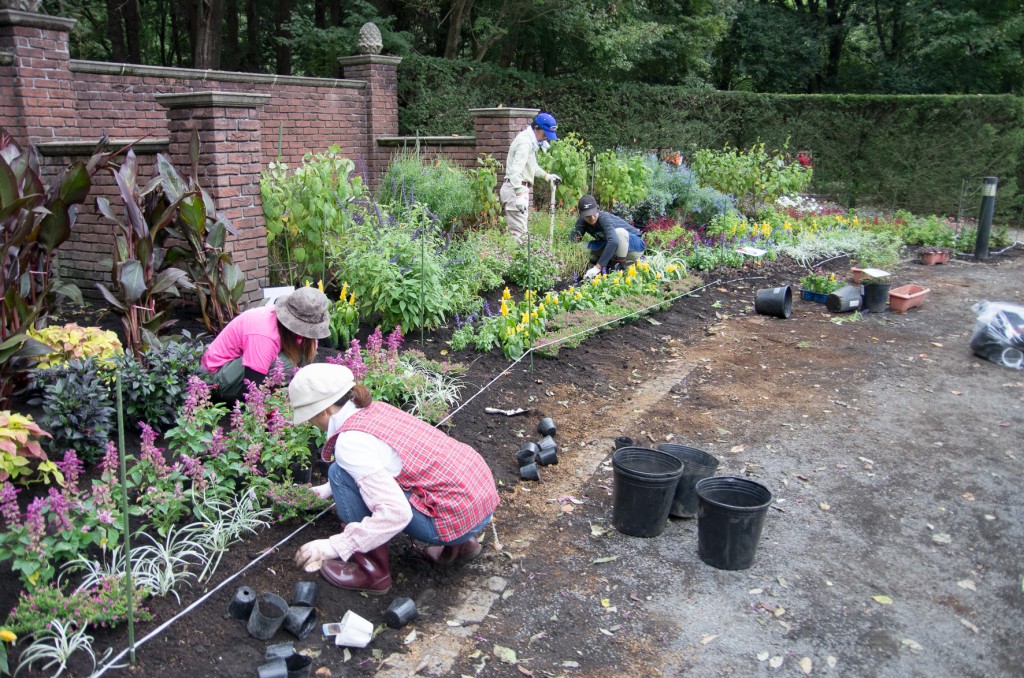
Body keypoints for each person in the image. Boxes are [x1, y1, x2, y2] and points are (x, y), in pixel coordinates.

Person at [289, 363, 500, 594]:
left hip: (451, 521)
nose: (309, 423)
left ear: (324, 411)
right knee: (352, 474)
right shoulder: (375, 410)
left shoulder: (350, 442)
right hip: (479, 502)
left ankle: (371, 571)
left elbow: (397, 513)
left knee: (338, 473)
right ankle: (462, 547)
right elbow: (386, 462)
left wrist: (335, 545)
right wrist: (327, 490)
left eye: (307, 417)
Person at [200, 287, 330, 402]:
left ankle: (277, 390)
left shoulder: (295, 329)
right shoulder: (264, 334)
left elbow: (308, 361)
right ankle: (271, 393)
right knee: (286, 363)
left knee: (304, 351)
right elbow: (251, 387)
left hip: (242, 369)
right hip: (219, 380)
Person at [500, 111, 562, 244]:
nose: (545, 138)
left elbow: (531, 166)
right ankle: (514, 264)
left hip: (518, 189)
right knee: (518, 236)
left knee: (520, 233)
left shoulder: (530, 142)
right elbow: (515, 171)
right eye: (545, 134)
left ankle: (517, 262)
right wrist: (519, 194)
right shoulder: (525, 143)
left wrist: (547, 176)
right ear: (536, 128)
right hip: (515, 190)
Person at [571, 194, 646, 280]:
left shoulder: (604, 217)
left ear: (597, 209)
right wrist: (575, 237)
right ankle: (602, 266)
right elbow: (573, 241)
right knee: (580, 247)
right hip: (612, 245)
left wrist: (597, 268)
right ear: (581, 214)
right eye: (587, 215)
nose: (592, 217)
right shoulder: (582, 221)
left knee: (619, 233)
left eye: (593, 213)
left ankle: (618, 270)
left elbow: (613, 241)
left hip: (634, 245)